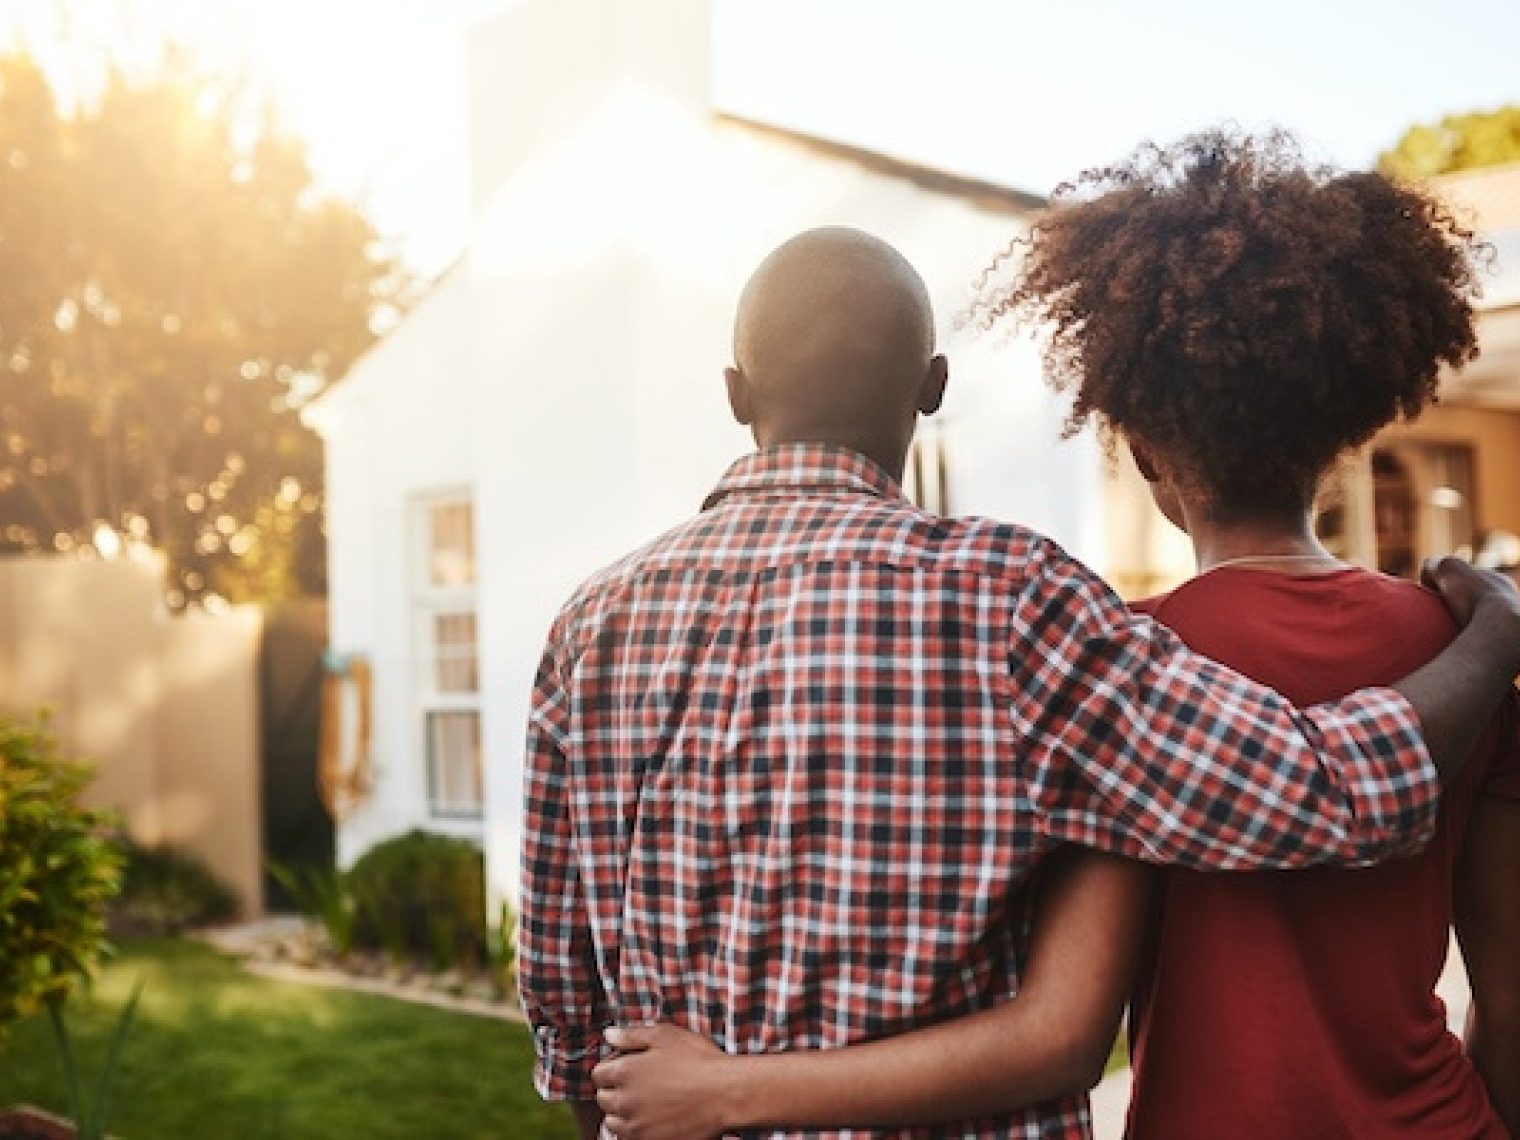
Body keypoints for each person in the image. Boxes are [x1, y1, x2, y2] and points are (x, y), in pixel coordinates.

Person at [588, 136, 1520, 1138]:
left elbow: (1064, 1024)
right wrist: (1497, 625)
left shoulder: (1121, 656)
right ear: (1345, 427)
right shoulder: (1452, 650)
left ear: (1140, 450)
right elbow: (1507, 998)